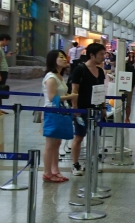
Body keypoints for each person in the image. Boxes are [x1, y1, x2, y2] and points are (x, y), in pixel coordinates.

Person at [69, 42, 107, 176]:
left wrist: (103, 108)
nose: (104, 57)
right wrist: (75, 109)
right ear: (92, 55)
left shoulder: (100, 71)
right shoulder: (80, 69)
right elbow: (75, 90)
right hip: (83, 109)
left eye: (104, 54)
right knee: (79, 136)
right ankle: (75, 164)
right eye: (101, 54)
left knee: (94, 137)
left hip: (96, 109)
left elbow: (101, 91)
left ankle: (90, 162)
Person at [41, 50, 77, 182]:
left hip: (60, 112)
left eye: (64, 56)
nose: (64, 59)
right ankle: (47, 172)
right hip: (52, 112)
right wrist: (70, 97)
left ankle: (55, 170)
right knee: (50, 144)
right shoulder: (51, 78)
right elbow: (51, 98)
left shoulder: (60, 76)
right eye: (61, 57)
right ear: (53, 60)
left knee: (57, 143)